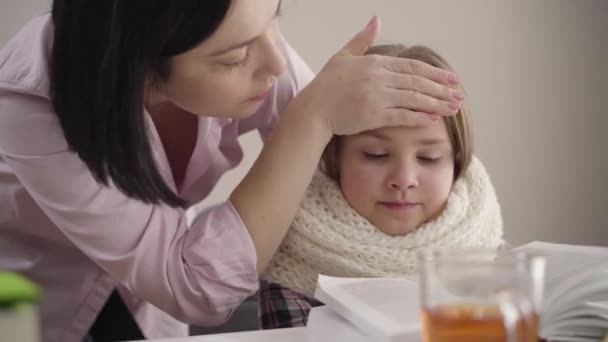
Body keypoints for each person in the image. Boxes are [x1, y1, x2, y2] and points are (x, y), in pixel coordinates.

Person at [0, 0, 464, 340]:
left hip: (146, 303)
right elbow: (196, 289)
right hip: (36, 302)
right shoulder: (33, 100)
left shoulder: (242, 39)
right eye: (234, 57)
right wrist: (313, 117)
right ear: (140, 66)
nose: (277, 64)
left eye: (274, 21)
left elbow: (328, 172)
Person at [258, 44, 504, 329]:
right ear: (334, 159)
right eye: (376, 154)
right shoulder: (292, 260)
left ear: (456, 164)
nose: (404, 178)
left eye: (429, 157)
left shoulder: (493, 257)